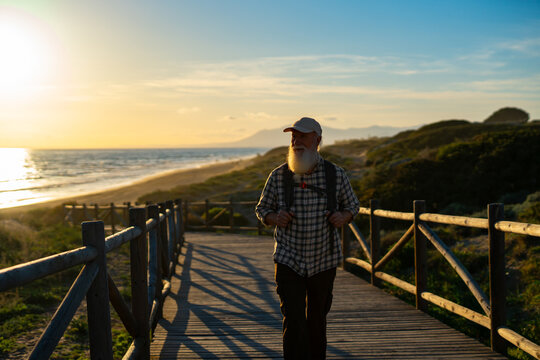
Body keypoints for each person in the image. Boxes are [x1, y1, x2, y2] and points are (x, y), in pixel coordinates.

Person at [255, 117, 360, 359]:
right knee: (293, 322)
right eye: (293, 136)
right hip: (288, 259)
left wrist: (343, 216)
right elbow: (262, 210)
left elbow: (353, 206)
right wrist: (275, 217)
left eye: (302, 136)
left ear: (318, 140)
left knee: (316, 322)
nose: (296, 141)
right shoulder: (279, 176)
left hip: (323, 261)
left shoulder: (335, 174)